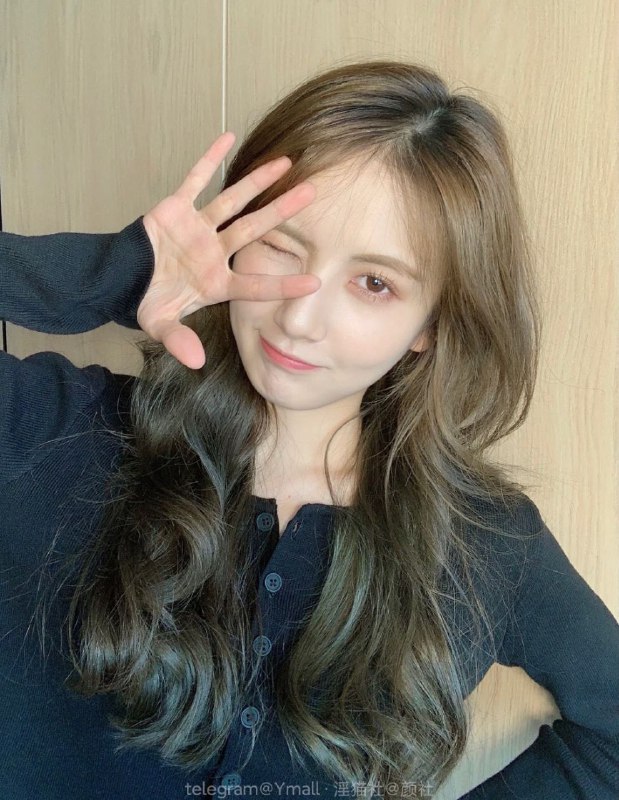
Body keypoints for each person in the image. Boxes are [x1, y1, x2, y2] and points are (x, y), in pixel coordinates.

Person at [1, 59, 618, 800]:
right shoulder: (53, 431)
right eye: (281, 245)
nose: (299, 316)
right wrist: (116, 271)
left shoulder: (482, 542)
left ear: (429, 325)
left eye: (374, 283)